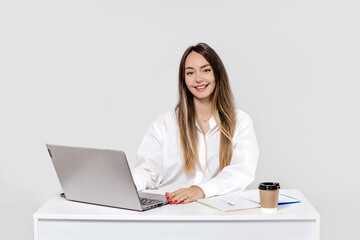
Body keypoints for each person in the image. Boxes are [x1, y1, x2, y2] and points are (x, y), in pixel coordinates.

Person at [132, 43, 259, 205]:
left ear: (217, 74)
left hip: (217, 214)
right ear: (183, 79)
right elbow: (148, 171)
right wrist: (125, 184)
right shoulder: (165, 123)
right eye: (190, 72)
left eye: (206, 70)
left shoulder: (240, 122)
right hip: (169, 210)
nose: (198, 78)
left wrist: (201, 190)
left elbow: (241, 173)